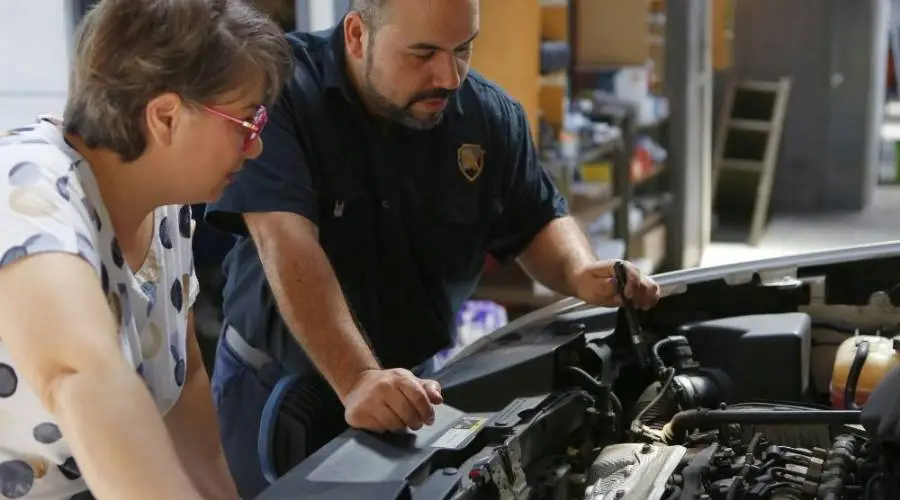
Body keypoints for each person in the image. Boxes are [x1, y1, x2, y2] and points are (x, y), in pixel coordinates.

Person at [204, 0, 661, 496]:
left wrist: (580, 271)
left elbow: (537, 217)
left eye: (462, 49)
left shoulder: (487, 118)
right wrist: (358, 377)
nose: (449, 76)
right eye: (422, 54)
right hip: (278, 390)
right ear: (357, 35)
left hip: (412, 394)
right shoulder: (282, 90)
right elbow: (286, 242)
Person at [0, 0, 292, 498]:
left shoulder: (166, 210)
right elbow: (82, 376)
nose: (257, 147)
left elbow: (187, 410)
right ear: (165, 117)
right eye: (247, 124)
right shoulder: (28, 191)